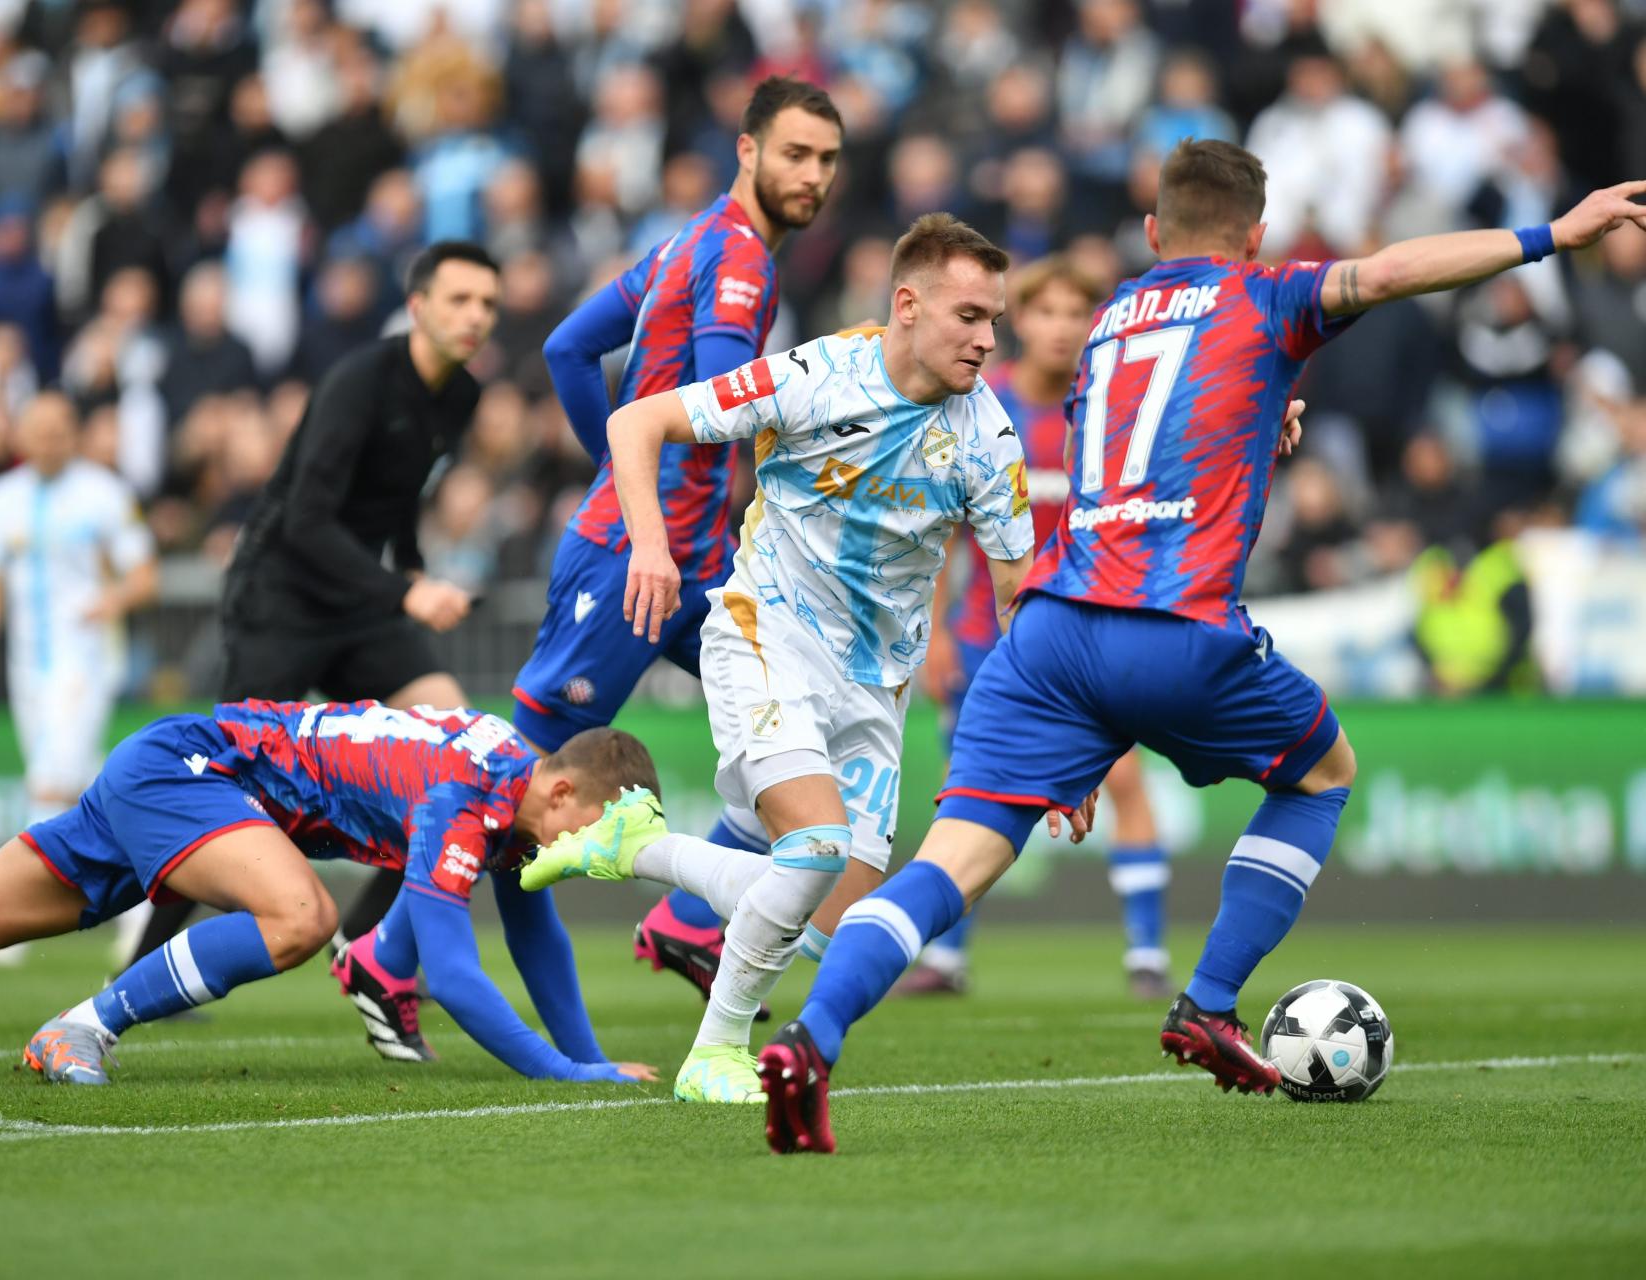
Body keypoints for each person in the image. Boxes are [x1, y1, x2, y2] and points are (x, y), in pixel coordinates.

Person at [751, 145, 1646, 1154]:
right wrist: (1551, 236)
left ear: (1151, 234)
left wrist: (1264, 418)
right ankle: (1209, 1000)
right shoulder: (1267, 294)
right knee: (1321, 774)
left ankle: (808, 1039)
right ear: (1256, 235)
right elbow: (1390, 272)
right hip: (1174, 625)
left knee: (946, 862)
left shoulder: (1108, 327)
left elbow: (1145, 445)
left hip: (1050, 637)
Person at [524, 214, 1083, 1104]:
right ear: (907, 305)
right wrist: (649, 546)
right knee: (814, 847)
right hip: (765, 633)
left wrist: (1067, 740)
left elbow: (1022, 599)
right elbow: (637, 419)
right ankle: (714, 1055)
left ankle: (638, 846)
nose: (988, 338)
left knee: (832, 910)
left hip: (874, 686)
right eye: (970, 315)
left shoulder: (991, 439)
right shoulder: (817, 376)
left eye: (994, 321)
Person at [0, 699, 660, 1090]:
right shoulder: (466, 797)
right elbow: (450, 973)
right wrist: (562, 1074)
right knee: (303, 918)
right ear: (565, 791)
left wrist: (593, 1064)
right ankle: (83, 1026)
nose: (599, 854)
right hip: (190, 771)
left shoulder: (517, 803)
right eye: (601, 834)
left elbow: (535, 936)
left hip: (182, 770)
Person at [503, 75, 842, 1014]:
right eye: (795, 154)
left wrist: (615, 455)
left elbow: (570, 349)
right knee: (517, 779)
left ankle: (691, 926)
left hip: (682, 566)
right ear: (748, 151)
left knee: (790, 719)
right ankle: (389, 956)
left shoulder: (683, 242)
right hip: (637, 559)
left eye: (826, 160)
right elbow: (725, 402)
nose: (813, 176)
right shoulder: (737, 261)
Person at [123, 241, 501, 1000]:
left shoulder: (461, 397)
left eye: (488, 304)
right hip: (281, 596)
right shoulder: (360, 381)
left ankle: (367, 950)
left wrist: (415, 565)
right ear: (419, 306)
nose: (476, 317)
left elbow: (395, 504)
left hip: (359, 602)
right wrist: (404, 593)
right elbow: (305, 521)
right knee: (231, 777)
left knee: (460, 755)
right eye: (459, 299)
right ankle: (145, 962)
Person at [902, 257, 1174, 1000]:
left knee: (1124, 778)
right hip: (985, 639)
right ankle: (948, 960)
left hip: (1086, 637)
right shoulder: (981, 407)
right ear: (1018, 322)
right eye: (1044, 313)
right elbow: (946, 532)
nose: (1059, 329)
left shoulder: (1110, 410)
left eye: (1073, 314)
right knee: (970, 794)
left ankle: (1146, 956)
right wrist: (936, 634)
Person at [0, 392, 157, 831]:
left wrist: (111, 600)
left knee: (52, 776)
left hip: (85, 653)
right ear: (20, 436)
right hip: (27, 657)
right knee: (77, 774)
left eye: (58, 433)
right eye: (39, 433)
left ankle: (43, 886)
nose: (49, 443)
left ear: (75, 435)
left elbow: (145, 575)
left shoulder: (105, 493)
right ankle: (134, 890)